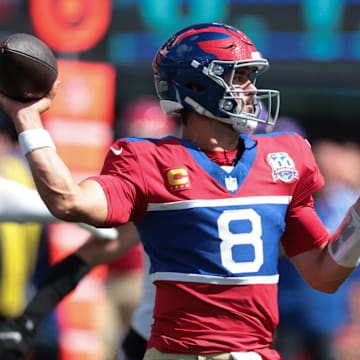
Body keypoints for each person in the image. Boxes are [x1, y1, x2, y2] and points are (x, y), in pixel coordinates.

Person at [0, 22, 360, 360]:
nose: (251, 90)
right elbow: (68, 201)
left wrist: (358, 221)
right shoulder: (148, 162)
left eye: (251, 77)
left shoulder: (286, 157)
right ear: (197, 86)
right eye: (240, 77)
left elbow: (323, 274)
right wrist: (28, 118)